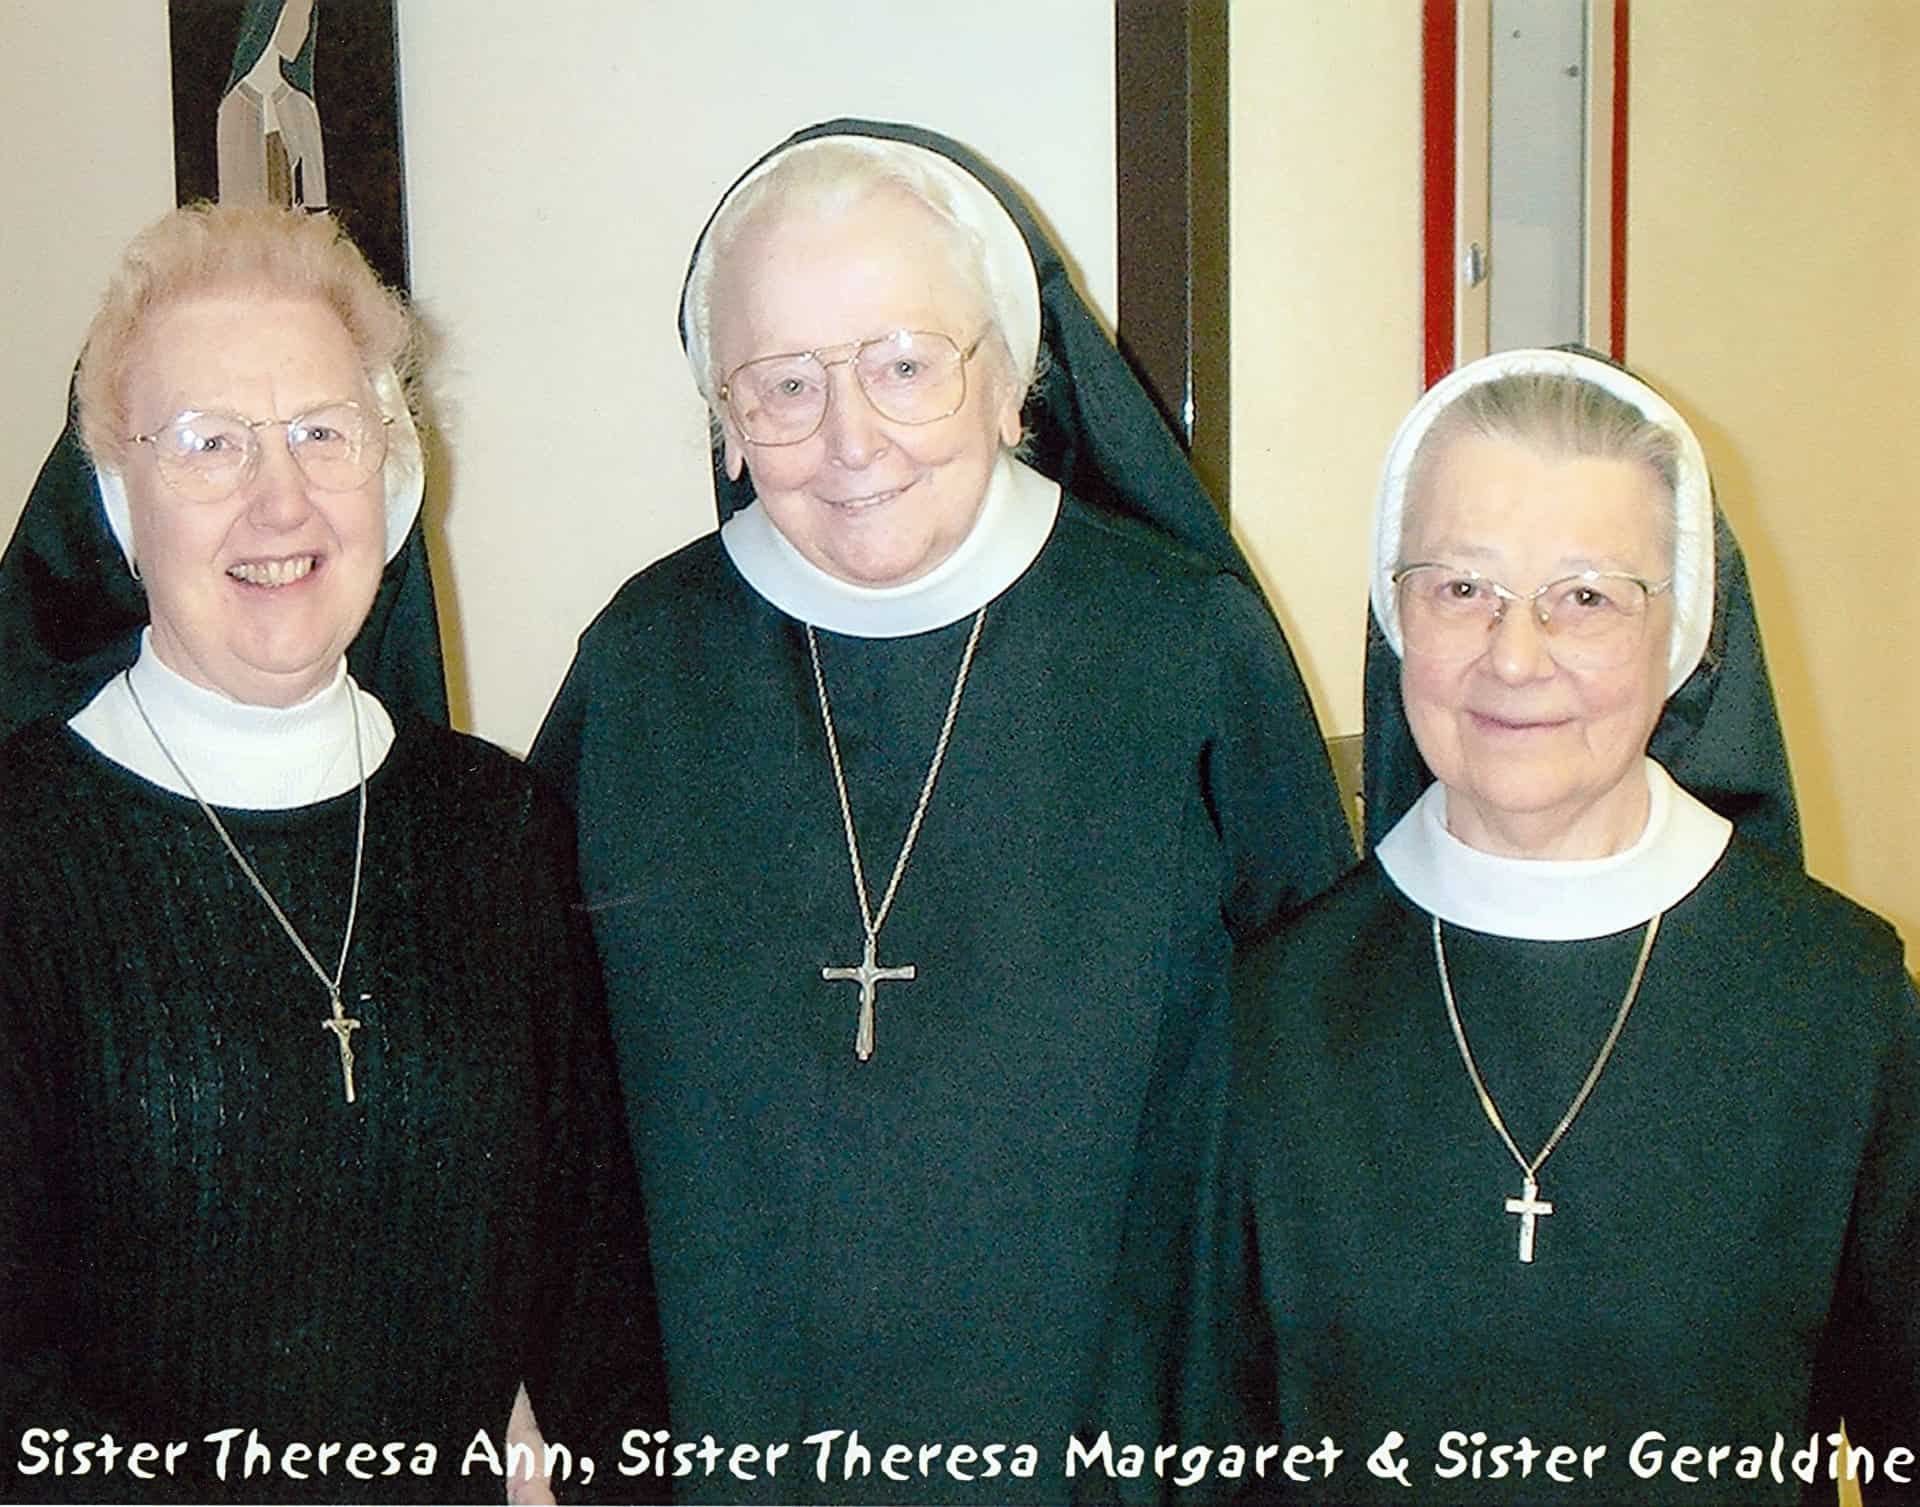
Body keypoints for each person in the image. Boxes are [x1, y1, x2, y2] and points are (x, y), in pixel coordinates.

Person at [531, 120, 1353, 1504]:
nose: (852, 440)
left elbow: (1321, 1068)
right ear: (725, 420)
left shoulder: (1182, 647)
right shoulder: (643, 663)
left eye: (905, 365)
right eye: (784, 384)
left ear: (1010, 378)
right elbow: (539, 1092)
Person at [0, 203, 663, 1503]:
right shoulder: (23, 854)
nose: (281, 497)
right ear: (121, 500)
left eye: (321, 431)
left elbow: (597, 1294)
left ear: (391, 468)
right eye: (210, 444)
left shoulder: (502, 831)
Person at [1183, 349, 1920, 1505]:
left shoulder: (1841, 997)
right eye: (1460, 588)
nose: (1514, 657)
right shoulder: (1273, 1008)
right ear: (1395, 611)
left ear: (1677, 634)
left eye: (1586, 596)